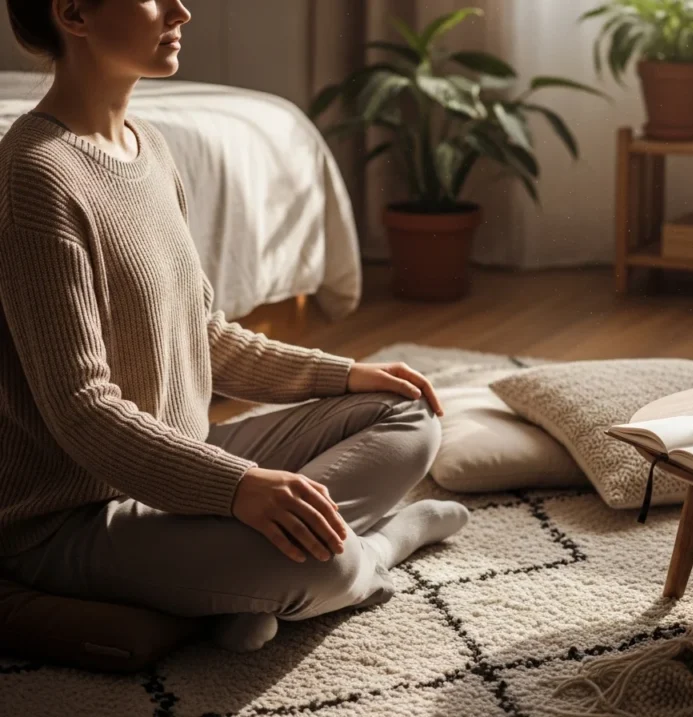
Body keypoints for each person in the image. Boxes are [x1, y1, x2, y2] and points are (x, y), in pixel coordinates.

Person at [0, 0, 469, 652]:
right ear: (73, 12)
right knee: (323, 562)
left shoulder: (151, 149)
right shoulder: (33, 175)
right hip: (75, 518)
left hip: (185, 465)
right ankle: (382, 546)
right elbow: (83, 410)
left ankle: (230, 588)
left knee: (409, 411)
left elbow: (206, 334)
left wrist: (345, 375)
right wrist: (238, 487)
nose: (182, 11)